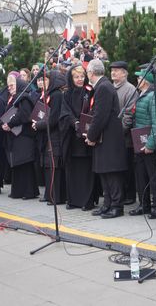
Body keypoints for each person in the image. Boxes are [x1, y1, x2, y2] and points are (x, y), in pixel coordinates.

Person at [85, 59, 128, 219]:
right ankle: (108, 204)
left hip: (109, 138)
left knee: (112, 173)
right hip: (105, 138)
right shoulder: (103, 86)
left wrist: (91, 135)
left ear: (91, 73)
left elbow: (100, 116)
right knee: (104, 172)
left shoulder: (103, 87)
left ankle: (117, 206)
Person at [130, 67, 156, 219]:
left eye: (139, 78)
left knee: (153, 177)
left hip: (149, 145)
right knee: (141, 176)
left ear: (145, 81)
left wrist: (151, 144)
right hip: (140, 143)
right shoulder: (142, 95)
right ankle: (143, 205)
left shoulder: (155, 97)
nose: (137, 80)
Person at [60, 65, 96, 210]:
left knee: (86, 171)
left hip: (86, 137)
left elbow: (93, 110)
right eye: (76, 77)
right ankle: (73, 200)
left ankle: (87, 201)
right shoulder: (66, 94)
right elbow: (64, 112)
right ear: (71, 78)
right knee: (72, 170)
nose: (80, 79)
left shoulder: (90, 92)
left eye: (82, 76)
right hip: (71, 138)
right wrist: (74, 122)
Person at [2, 77, 40, 200]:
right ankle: (19, 191)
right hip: (17, 136)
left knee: (25, 164)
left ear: (19, 86)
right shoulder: (17, 98)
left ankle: (28, 192)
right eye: (8, 86)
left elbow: (24, 115)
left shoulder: (24, 98)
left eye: (12, 85)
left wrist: (10, 124)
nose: (9, 88)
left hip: (24, 136)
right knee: (18, 164)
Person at [34, 69, 67, 205]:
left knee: (54, 166)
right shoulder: (48, 94)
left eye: (46, 80)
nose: (44, 82)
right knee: (48, 166)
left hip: (54, 135)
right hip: (47, 135)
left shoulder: (57, 95)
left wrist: (39, 124)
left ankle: (56, 196)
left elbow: (53, 119)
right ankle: (49, 194)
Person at [110, 60, 138, 205]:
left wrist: (117, 133)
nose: (113, 72)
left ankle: (130, 195)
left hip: (124, 138)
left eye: (117, 70)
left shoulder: (130, 89)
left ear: (125, 73)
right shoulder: (110, 88)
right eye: (112, 70)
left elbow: (128, 116)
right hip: (111, 138)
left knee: (127, 168)